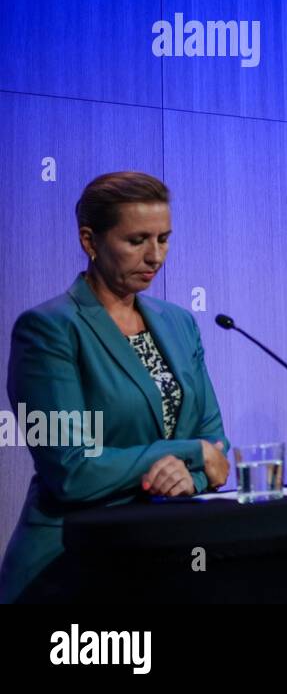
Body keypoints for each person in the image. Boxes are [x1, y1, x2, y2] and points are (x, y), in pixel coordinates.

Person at [0, 172, 230, 604]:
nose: (155, 256)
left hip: (161, 559)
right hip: (68, 569)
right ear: (90, 241)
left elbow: (214, 445)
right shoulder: (47, 330)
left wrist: (190, 476)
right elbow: (71, 470)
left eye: (164, 239)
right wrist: (186, 453)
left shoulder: (179, 323)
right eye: (137, 240)